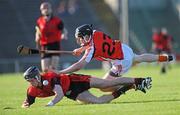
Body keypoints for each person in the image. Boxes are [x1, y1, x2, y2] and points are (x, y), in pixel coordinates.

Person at [54, 24, 173, 91]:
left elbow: (78, 66)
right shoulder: (95, 32)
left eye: (80, 38)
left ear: (86, 36)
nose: (79, 40)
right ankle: (164, 58)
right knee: (139, 57)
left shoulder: (91, 50)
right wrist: (81, 49)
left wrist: (61, 72)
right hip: (123, 48)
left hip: (121, 61)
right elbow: (92, 44)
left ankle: (134, 84)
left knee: (104, 87)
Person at [21, 66, 152, 108]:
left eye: (31, 79)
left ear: (37, 77)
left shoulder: (50, 77)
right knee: (99, 102)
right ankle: (127, 87)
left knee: (107, 84)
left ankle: (140, 80)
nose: (30, 83)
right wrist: (25, 105)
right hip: (72, 93)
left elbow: (59, 94)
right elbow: (27, 102)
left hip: (75, 81)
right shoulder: (31, 90)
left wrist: (49, 105)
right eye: (29, 81)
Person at [35, 2, 67, 72]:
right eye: (44, 8)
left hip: (55, 44)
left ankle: (54, 82)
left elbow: (64, 30)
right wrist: (37, 41)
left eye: (47, 8)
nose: (46, 10)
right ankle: (46, 82)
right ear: (41, 10)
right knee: (45, 69)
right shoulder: (39, 21)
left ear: (50, 9)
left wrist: (64, 34)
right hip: (44, 45)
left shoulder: (57, 20)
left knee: (53, 68)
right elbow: (38, 32)